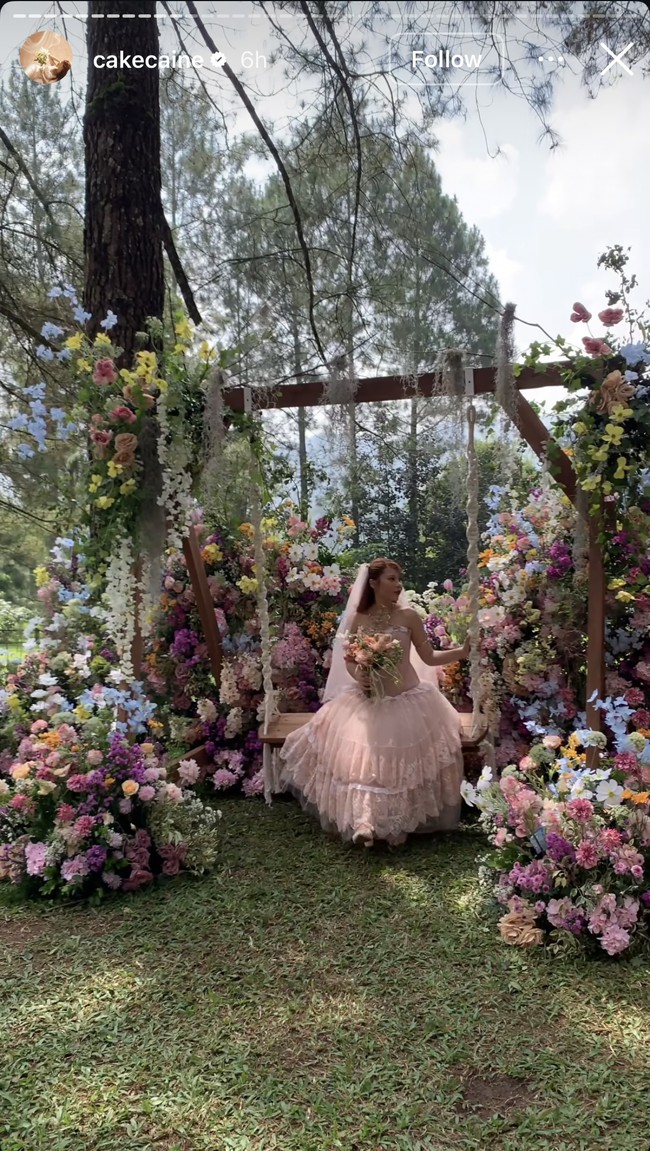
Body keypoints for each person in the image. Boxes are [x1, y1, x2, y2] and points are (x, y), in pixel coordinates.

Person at [277, 558, 470, 847]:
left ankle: (392, 820)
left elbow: (429, 657)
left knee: (396, 765)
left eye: (399, 579)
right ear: (373, 583)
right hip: (368, 702)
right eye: (392, 579)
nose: (399, 584)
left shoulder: (409, 617)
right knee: (361, 764)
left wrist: (463, 651)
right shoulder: (359, 618)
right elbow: (350, 661)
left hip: (409, 701)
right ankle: (364, 822)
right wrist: (360, 676)